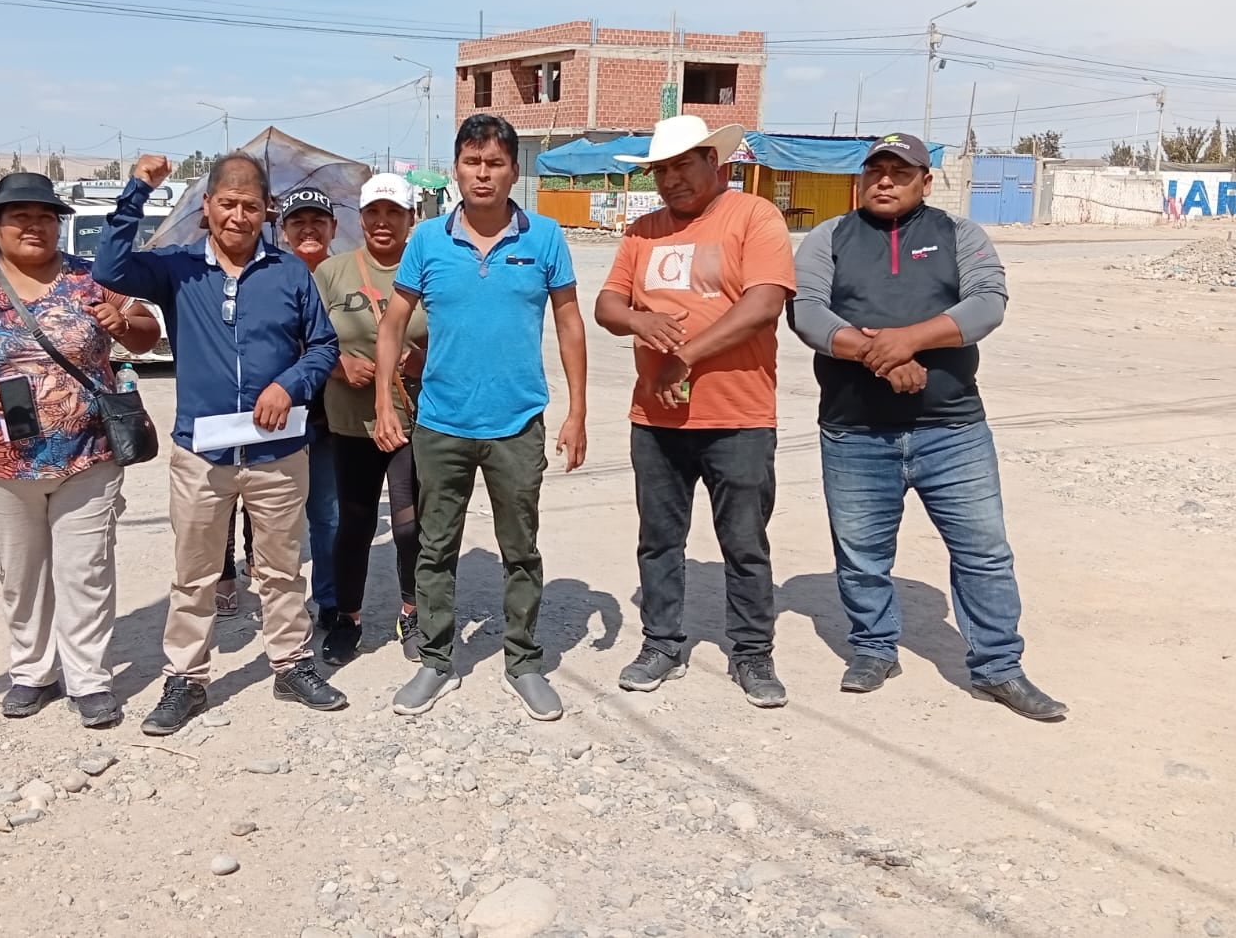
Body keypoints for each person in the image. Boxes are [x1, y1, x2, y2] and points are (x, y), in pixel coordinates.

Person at [788, 132, 1066, 721]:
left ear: (926, 181)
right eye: (876, 171)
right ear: (861, 179)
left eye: (901, 172)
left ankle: (998, 667)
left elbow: (987, 303)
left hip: (953, 430)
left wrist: (909, 340)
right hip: (854, 431)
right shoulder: (828, 238)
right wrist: (881, 358)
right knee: (861, 554)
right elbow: (807, 314)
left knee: (984, 553)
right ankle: (873, 649)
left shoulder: (961, 234)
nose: (885, 181)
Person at [93, 152, 347, 733]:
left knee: (281, 569)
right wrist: (137, 190)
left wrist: (290, 385)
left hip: (277, 453)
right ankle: (186, 678)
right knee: (195, 573)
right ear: (206, 206)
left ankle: (291, 664)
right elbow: (109, 267)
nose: (238, 216)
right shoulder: (177, 268)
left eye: (250, 206)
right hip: (201, 455)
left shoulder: (289, 273)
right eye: (227, 203)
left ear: (266, 211)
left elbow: (323, 346)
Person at [0, 172, 161, 729]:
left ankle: (89, 679)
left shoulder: (91, 279)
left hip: (88, 454)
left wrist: (121, 320)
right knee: (20, 574)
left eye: (46, 217)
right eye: (20, 216)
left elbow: (146, 331)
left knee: (86, 570)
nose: (34, 226)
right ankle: (32, 671)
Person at [374, 114, 588, 722]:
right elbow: (393, 324)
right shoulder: (426, 240)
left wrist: (577, 411)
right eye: (472, 162)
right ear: (457, 169)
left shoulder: (545, 237)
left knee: (520, 548)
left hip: (517, 424)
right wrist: (385, 400)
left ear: (514, 170)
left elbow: (569, 322)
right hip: (441, 425)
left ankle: (523, 661)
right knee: (435, 547)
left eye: (495, 163)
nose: (483, 174)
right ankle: (436, 659)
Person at [594, 116, 796, 707]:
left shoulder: (754, 216)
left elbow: (764, 303)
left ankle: (752, 652)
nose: (671, 180)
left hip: (739, 415)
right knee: (658, 540)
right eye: (661, 170)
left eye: (682, 165)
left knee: (744, 542)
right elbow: (607, 304)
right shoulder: (643, 231)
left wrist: (685, 356)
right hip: (655, 418)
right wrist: (640, 320)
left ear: (715, 161)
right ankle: (661, 643)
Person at [312, 173, 428, 665]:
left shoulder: (428, 268)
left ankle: (412, 612)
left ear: (410, 219)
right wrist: (338, 366)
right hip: (350, 420)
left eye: (394, 213)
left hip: (412, 418)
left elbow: (454, 333)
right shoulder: (332, 272)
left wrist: (424, 357)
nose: (383, 222)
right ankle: (348, 618)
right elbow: (305, 338)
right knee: (355, 523)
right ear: (359, 219)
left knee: (409, 525)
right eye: (374, 213)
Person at [274, 186, 342, 630]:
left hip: (331, 419)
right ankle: (279, 611)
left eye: (318, 220)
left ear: (334, 227)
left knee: (327, 515)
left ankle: (330, 600)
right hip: (278, 418)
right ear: (284, 231)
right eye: (298, 221)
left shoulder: (348, 276)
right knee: (276, 520)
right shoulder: (268, 277)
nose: (309, 229)